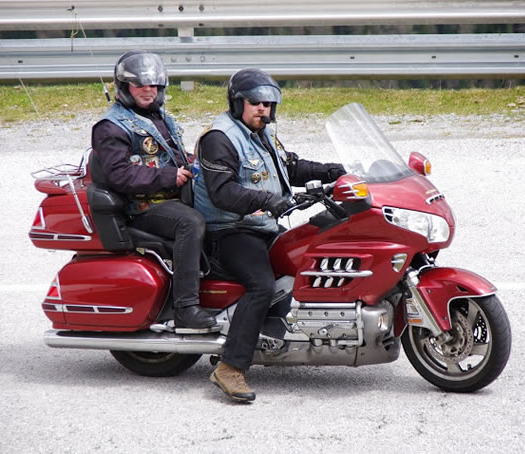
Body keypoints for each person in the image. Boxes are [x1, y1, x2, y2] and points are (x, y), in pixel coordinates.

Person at [194, 68, 345, 402]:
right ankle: (230, 367)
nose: (262, 108)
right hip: (229, 230)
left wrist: (337, 171)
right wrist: (268, 201)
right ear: (238, 103)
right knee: (261, 284)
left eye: (267, 103)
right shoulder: (219, 138)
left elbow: (290, 167)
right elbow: (222, 192)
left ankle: (284, 334)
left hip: (261, 226)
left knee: (309, 254)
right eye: (255, 102)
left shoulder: (261, 133)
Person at [90, 51, 217, 330]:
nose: (148, 90)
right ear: (125, 87)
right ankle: (186, 307)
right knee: (190, 222)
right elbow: (118, 174)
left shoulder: (158, 117)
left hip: (173, 197)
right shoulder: (111, 127)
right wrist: (169, 176)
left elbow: (172, 155)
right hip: (142, 207)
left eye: (154, 85)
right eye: (140, 85)